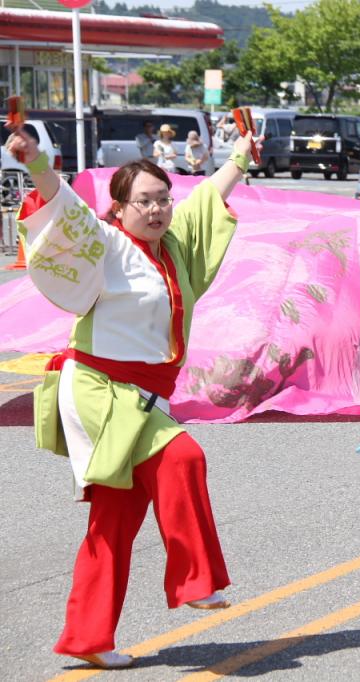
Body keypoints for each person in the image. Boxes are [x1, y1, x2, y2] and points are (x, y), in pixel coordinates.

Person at [5, 118, 260, 670]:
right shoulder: (106, 244)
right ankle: (196, 581)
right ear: (119, 208)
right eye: (143, 201)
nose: (157, 209)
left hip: (144, 396)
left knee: (113, 522)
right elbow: (65, 210)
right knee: (183, 455)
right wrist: (38, 165)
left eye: (163, 199)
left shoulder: (172, 246)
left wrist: (240, 156)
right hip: (99, 388)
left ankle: (86, 638)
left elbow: (208, 198)